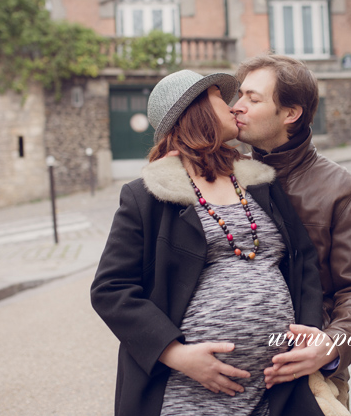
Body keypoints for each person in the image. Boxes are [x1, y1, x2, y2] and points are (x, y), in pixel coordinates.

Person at [91, 69, 325, 416]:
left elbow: (303, 263)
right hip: (186, 392)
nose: (232, 107)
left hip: (275, 390)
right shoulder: (147, 196)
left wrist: (308, 338)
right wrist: (175, 353)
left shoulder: (260, 182)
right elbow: (111, 289)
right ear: (195, 111)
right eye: (219, 98)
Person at [231, 54, 351, 407]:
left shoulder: (340, 189)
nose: (236, 107)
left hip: (311, 376)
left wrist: (330, 346)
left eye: (253, 99)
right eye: (240, 95)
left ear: (290, 113)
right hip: (233, 378)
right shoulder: (224, 178)